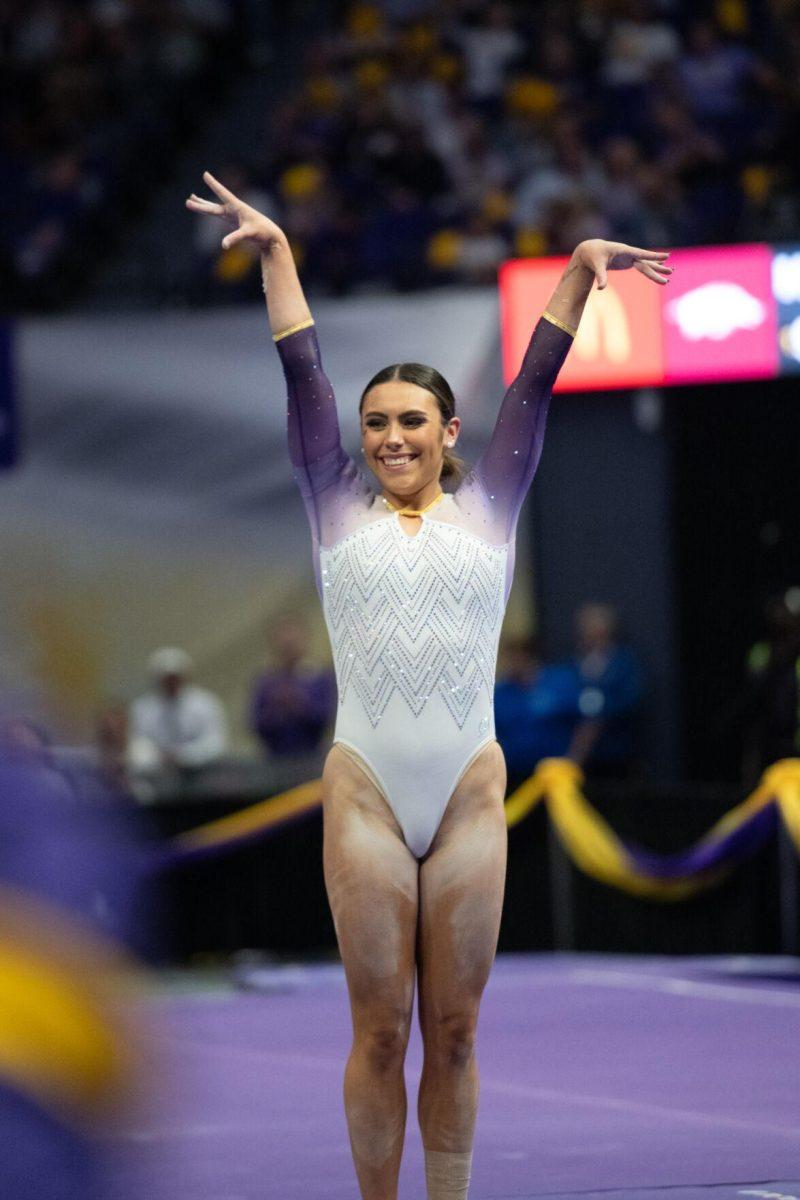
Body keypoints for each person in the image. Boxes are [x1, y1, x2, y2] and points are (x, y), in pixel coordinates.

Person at [187, 170, 671, 1200]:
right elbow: (303, 377)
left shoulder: (493, 501)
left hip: (466, 796)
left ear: (451, 432)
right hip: (363, 788)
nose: (389, 437)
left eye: (411, 419)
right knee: (380, 1028)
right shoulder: (331, 504)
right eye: (374, 424)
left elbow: (533, 385)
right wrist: (277, 256)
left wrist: (581, 274)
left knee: (452, 1030)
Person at [566, 603, 643, 778]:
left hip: (617, 750)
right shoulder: (573, 663)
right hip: (580, 754)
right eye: (587, 626)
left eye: (596, 625)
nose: (591, 631)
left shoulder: (623, 662)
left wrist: (600, 710)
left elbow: (631, 698)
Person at [128, 647, 228, 777]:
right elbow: (136, 744)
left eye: (175, 677)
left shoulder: (206, 704)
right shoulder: (142, 708)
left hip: (201, 774)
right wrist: (157, 757)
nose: (171, 682)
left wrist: (184, 756)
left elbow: (216, 743)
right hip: (156, 775)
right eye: (166, 678)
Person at [493, 635, 576, 786]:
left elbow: (583, 723)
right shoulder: (500, 693)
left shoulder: (559, 683)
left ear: (528, 657)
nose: (510, 663)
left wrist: (574, 759)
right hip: (513, 773)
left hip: (555, 774)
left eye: (515, 657)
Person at [250, 613, 335, 758]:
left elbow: (328, 717)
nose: (288, 646)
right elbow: (256, 723)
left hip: (314, 755)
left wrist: (300, 704)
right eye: (284, 642)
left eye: (293, 641)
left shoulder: (321, 676)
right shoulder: (266, 681)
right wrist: (276, 709)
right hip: (276, 759)